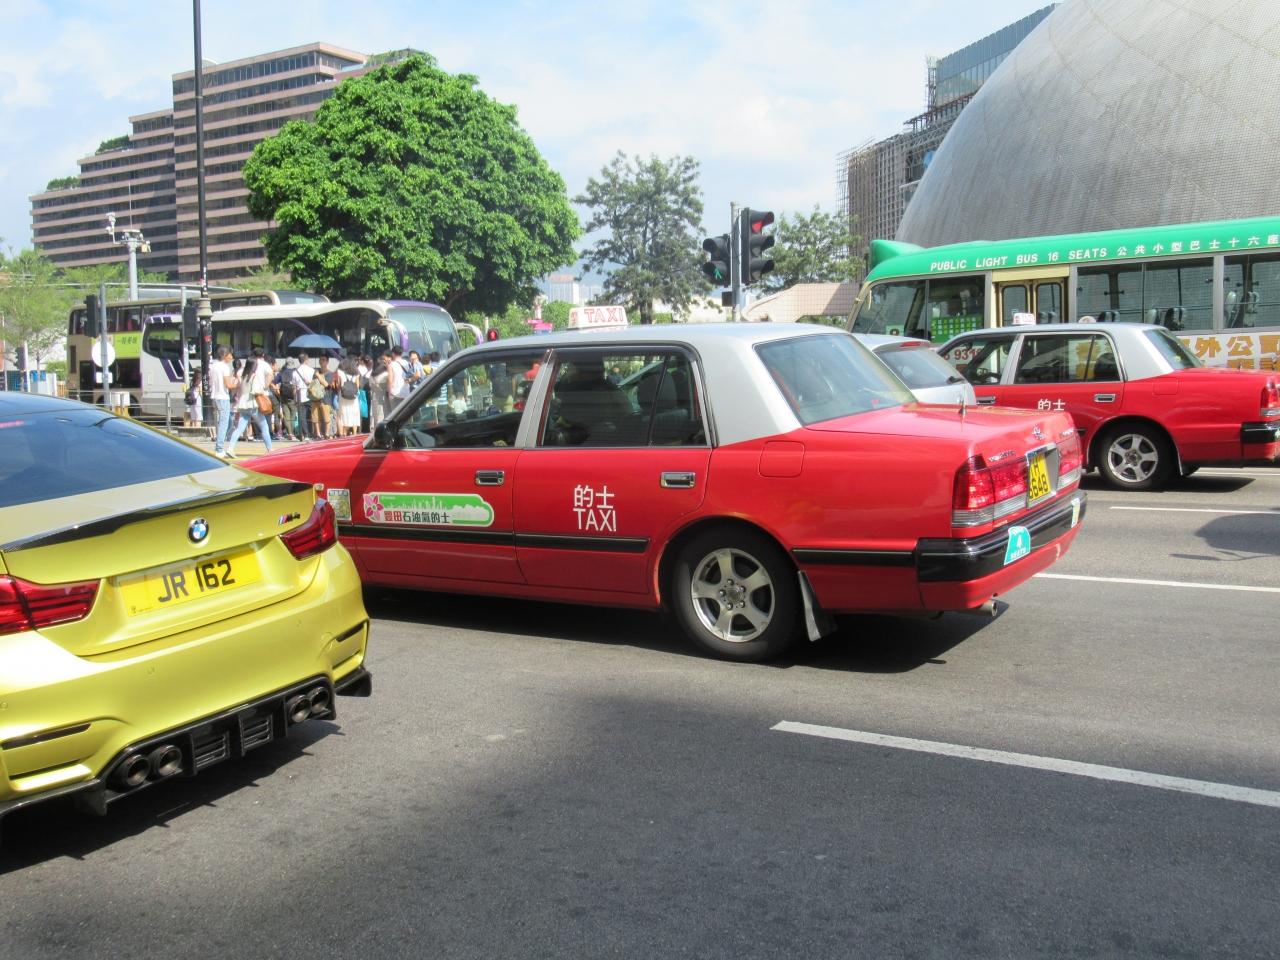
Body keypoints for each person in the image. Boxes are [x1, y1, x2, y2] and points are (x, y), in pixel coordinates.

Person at [224, 347, 274, 458]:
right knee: (264, 426)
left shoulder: (242, 375)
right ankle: (270, 449)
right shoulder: (254, 376)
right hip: (253, 403)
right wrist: (263, 389)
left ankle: (230, 448)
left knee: (239, 428)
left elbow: (238, 385)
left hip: (243, 403)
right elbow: (256, 390)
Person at [207, 345, 236, 457]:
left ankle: (220, 446)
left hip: (215, 396)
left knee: (226, 422)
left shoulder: (213, 366)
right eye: (230, 354)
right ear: (224, 355)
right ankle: (219, 449)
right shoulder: (225, 367)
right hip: (223, 397)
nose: (232, 357)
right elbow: (228, 385)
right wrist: (237, 383)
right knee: (224, 423)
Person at [335, 358, 362, 436]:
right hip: (353, 397)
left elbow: (338, 385)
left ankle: (342, 433)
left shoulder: (340, 372)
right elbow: (357, 386)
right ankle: (354, 432)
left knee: (342, 415)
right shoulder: (356, 373)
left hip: (343, 396)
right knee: (354, 414)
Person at [369, 350, 391, 427]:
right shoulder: (386, 374)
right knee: (384, 414)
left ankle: (376, 428)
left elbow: (370, 385)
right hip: (384, 397)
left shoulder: (373, 374)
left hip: (375, 396)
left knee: (376, 415)